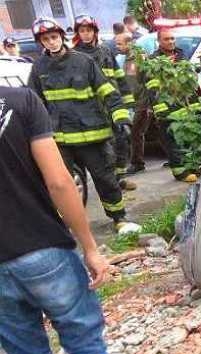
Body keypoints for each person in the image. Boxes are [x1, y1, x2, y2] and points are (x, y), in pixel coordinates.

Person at [0, 85, 116, 354]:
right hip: (42, 248)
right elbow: (60, 183)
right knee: (86, 345)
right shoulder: (20, 101)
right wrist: (90, 247)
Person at [27, 17, 139, 230]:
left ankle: (119, 219)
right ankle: (66, 225)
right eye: (46, 39)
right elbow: (32, 101)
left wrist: (121, 116)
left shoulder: (83, 62)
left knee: (105, 179)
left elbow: (107, 91)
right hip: (60, 139)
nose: (51, 42)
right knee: (61, 185)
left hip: (93, 136)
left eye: (53, 37)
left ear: (61, 37)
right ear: (40, 42)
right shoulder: (38, 67)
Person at [72, 14, 137, 184]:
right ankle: (110, 182)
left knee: (122, 139)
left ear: (95, 32)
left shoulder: (105, 51)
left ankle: (120, 178)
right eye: (82, 31)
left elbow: (119, 77)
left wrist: (128, 104)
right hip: (92, 108)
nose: (86, 34)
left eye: (89, 30)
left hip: (113, 105)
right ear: (78, 33)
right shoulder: (74, 55)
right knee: (104, 148)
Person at [143, 28, 199, 183]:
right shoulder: (154, 61)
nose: (171, 42)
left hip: (184, 104)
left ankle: (193, 167)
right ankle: (180, 173)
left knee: (187, 138)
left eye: (173, 38)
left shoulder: (181, 55)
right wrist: (160, 110)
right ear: (159, 41)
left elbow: (190, 78)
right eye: (167, 39)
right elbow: (152, 86)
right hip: (166, 106)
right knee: (172, 140)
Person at [114, 33, 148, 175]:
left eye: (119, 44)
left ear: (129, 44)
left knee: (135, 132)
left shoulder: (136, 58)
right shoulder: (130, 58)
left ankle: (137, 163)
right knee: (141, 132)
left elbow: (134, 83)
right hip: (138, 101)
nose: (117, 47)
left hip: (140, 101)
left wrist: (129, 101)